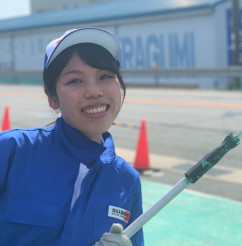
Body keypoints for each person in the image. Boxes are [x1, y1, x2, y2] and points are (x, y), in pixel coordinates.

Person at [0, 27, 144, 246]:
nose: (94, 91)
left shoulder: (127, 180)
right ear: (52, 98)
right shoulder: (11, 151)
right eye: (75, 81)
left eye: (105, 76)